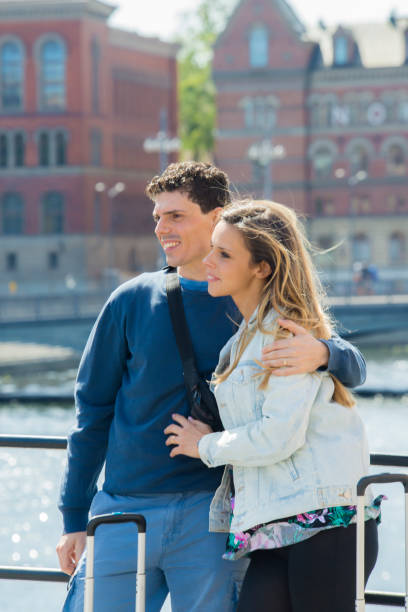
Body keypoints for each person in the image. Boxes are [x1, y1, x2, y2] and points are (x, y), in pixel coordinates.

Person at [57, 163, 367, 612]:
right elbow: (91, 412)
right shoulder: (131, 300)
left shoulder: (255, 303)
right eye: (157, 217)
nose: (161, 228)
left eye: (176, 216)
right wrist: (72, 516)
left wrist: (324, 353)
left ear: (217, 215)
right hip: (125, 512)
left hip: (214, 518)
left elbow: (350, 364)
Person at [165, 199, 380, 612]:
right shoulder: (244, 338)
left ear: (261, 267)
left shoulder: (285, 334)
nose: (208, 261)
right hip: (276, 526)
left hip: (325, 522)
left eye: (223, 254)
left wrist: (204, 446)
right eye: (212, 248)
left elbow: (277, 437)